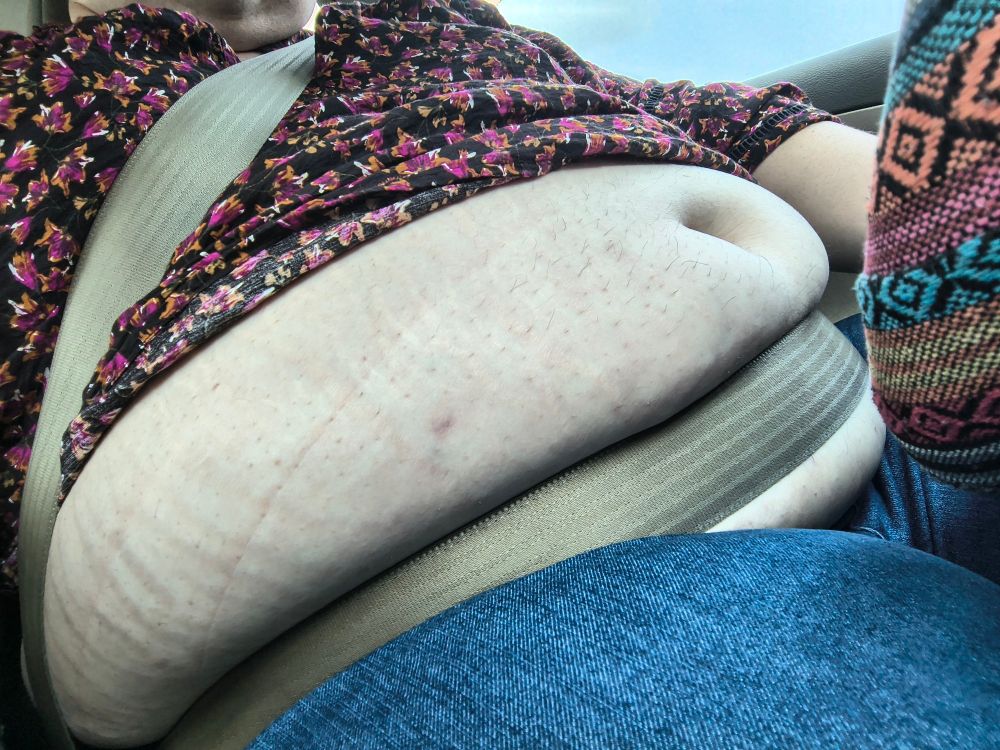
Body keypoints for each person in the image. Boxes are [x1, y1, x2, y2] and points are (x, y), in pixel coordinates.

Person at [0, 0, 987, 745]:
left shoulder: (437, 25)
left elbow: (748, 130)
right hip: (479, 610)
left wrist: (940, 214)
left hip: (876, 414)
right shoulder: (29, 101)